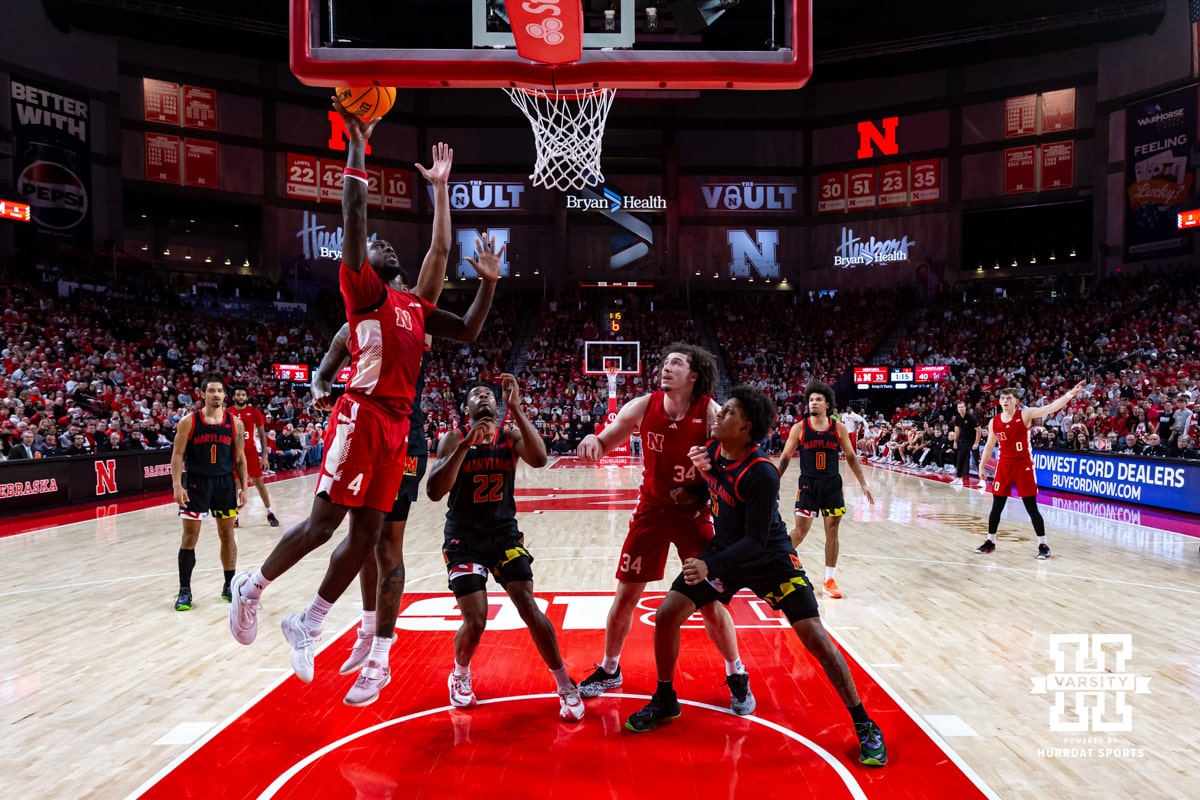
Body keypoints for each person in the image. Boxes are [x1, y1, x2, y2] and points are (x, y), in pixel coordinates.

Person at [227, 103, 478, 689]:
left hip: (398, 427)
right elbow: (356, 214)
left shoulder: (416, 305)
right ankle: (253, 586)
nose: (387, 245)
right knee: (323, 523)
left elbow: (440, 252)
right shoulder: (363, 291)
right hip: (360, 415)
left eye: (394, 246)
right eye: (380, 245)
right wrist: (358, 148)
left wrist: (441, 191)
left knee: (366, 536)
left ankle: (308, 622)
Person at [624, 386, 888, 768]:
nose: (718, 416)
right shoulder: (715, 452)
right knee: (667, 615)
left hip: (770, 558)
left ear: (746, 427)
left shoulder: (762, 472)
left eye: (727, 412)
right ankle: (665, 699)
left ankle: (864, 723)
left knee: (815, 636)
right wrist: (692, 493)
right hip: (726, 552)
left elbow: (756, 539)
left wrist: (709, 565)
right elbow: (714, 493)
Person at [313, 255, 501, 686]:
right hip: (363, 425)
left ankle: (381, 647)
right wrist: (320, 387)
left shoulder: (415, 314)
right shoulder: (357, 321)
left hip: (404, 431)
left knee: (384, 543)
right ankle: (365, 628)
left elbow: (465, 322)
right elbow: (323, 371)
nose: (403, 292)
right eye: (395, 285)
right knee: (358, 535)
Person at [575, 344, 749, 715]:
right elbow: (609, 437)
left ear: (694, 375)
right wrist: (594, 441)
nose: (666, 368)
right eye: (665, 362)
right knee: (625, 595)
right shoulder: (643, 405)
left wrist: (698, 490)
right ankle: (610, 668)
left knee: (709, 601)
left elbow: (727, 468)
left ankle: (736, 671)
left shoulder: (712, 414)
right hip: (652, 509)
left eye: (676, 363)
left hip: (694, 515)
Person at [396, 376, 584, 720]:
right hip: (463, 539)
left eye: (488, 394)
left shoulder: (509, 436)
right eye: (475, 394)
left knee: (528, 604)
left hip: (503, 535)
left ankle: (565, 685)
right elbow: (436, 491)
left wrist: (516, 407)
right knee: (477, 620)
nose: (483, 396)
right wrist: (465, 444)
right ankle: (460, 673)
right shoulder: (454, 437)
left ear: (496, 406)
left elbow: (540, 459)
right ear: (466, 408)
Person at [777, 383, 874, 598]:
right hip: (808, 485)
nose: (814, 402)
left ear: (827, 404)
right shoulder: (800, 428)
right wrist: (774, 481)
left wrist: (863, 483)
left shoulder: (837, 428)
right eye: (811, 399)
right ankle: (776, 565)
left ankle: (829, 580)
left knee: (832, 531)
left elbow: (850, 456)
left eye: (818, 399)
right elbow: (784, 458)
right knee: (800, 532)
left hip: (831, 486)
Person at [975, 381, 1085, 558]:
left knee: (1031, 507)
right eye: (1002, 398)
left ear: (1016, 401)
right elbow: (989, 445)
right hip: (1004, 465)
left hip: (1023, 465)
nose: (1004, 401)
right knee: (996, 506)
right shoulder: (993, 421)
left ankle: (1043, 544)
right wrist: (982, 465)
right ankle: (990, 541)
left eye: (1008, 398)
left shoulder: (1025, 414)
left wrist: (1070, 394)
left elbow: (1050, 407)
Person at [171, 374, 247, 611]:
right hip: (196, 484)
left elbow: (240, 457)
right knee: (190, 536)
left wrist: (244, 487)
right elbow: (177, 455)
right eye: (211, 391)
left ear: (226, 395)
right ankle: (185, 590)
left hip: (224, 484)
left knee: (227, 535)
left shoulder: (234, 423)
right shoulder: (188, 421)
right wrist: (176, 484)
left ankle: (228, 585)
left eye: (220, 391)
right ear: (202, 394)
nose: (216, 395)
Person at [228, 386, 280, 528]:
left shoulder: (254, 412)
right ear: (233, 397)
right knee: (235, 485)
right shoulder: (227, 413)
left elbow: (263, 436)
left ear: (246, 397)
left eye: (243, 395)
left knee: (259, 483)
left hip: (250, 452)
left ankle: (269, 512)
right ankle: (235, 516)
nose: (240, 397)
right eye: (238, 394)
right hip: (233, 453)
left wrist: (264, 455)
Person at [949, 400, 980, 486]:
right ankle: (959, 479)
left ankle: (982, 480)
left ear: (965, 408)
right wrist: (955, 441)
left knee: (977, 460)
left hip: (972, 441)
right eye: (959, 407)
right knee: (960, 460)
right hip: (963, 441)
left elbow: (979, 429)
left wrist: (976, 443)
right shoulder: (958, 417)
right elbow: (957, 429)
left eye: (962, 407)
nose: (961, 409)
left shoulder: (971, 417)